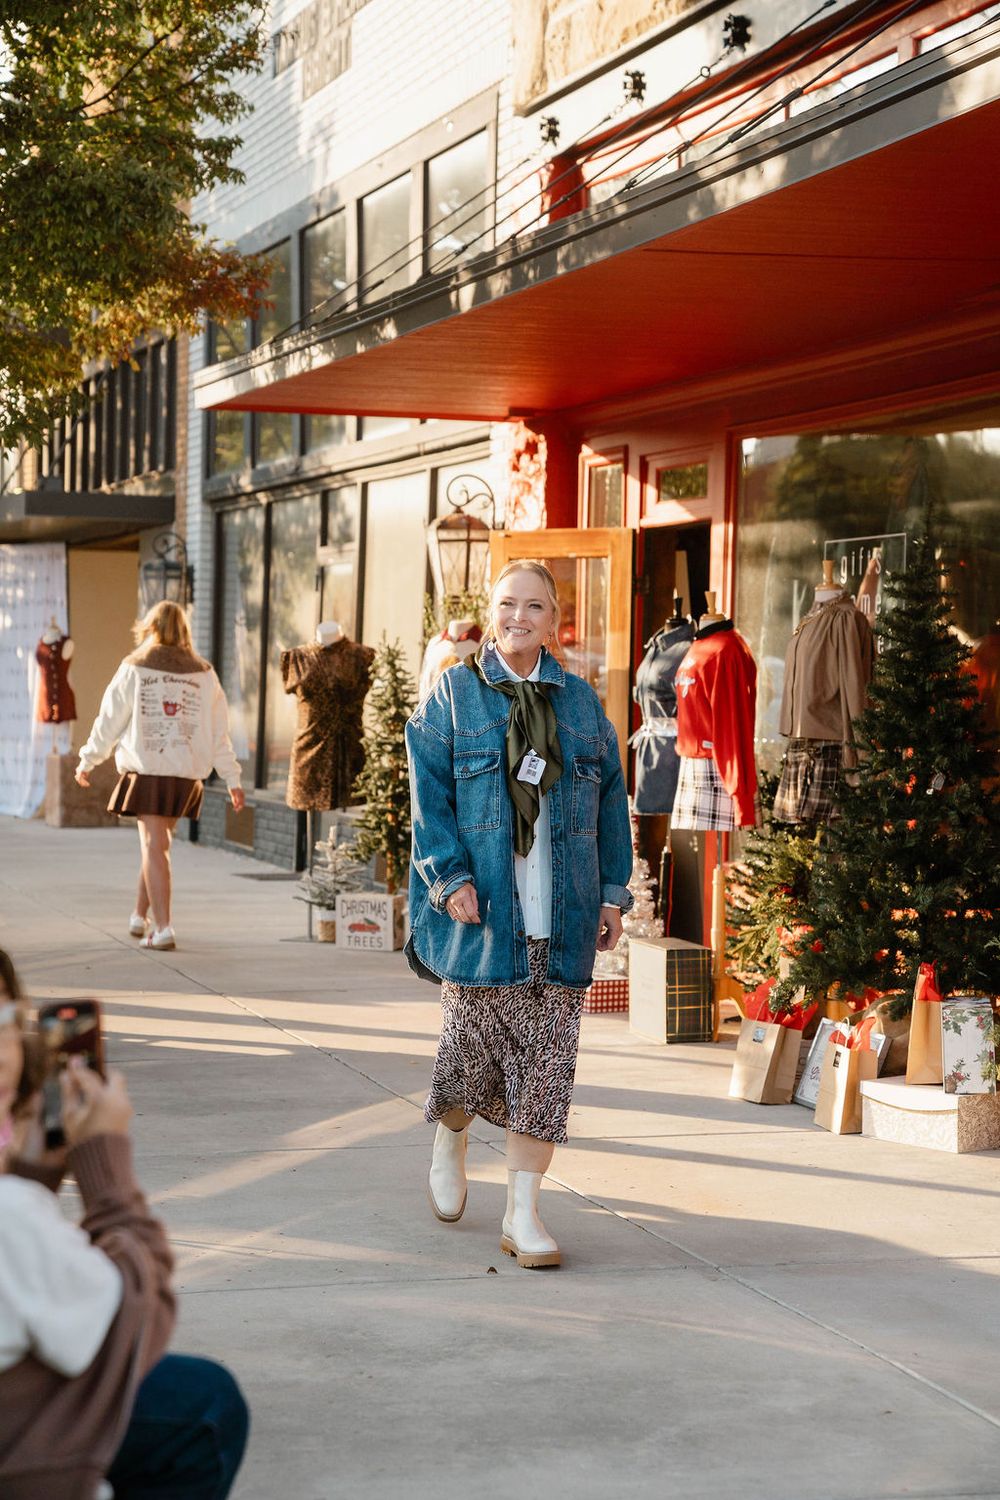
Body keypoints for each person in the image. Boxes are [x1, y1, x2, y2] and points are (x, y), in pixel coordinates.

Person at [405, 560, 634, 1270]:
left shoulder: (581, 705)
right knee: (469, 1059)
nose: (518, 618)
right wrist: (448, 880)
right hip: (486, 917)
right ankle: (451, 1137)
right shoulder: (454, 694)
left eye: (534, 607)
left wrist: (610, 895)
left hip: (560, 913)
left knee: (548, 1069)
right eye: (507, 604)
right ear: (490, 608)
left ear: (554, 618)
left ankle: (523, 1211)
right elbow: (429, 798)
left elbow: (608, 802)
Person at [0, 948, 249, 1498]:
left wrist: (32, 1173)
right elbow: (134, 1325)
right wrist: (103, 1164)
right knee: (206, 1401)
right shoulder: (10, 1217)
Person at [75, 602, 245, 951]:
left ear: (150, 627)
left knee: (155, 846)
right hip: (183, 776)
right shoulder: (204, 673)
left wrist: (88, 759)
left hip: (149, 770)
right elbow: (219, 734)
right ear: (184, 629)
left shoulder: (134, 667)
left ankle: (164, 928)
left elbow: (110, 719)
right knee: (155, 846)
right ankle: (140, 916)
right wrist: (232, 778)